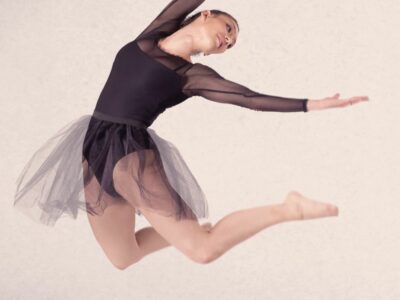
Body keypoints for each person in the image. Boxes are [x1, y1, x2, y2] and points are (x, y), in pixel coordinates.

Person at [13, 0, 369, 269]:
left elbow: (250, 98)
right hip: (93, 147)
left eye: (231, 44)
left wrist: (311, 104)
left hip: (129, 155)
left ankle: (287, 208)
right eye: (228, 29)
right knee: (123, 257)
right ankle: (192, 229)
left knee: (203, 250)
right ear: (205, 15)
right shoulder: (152, 35)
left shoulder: (190, 76)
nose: (227, 41)